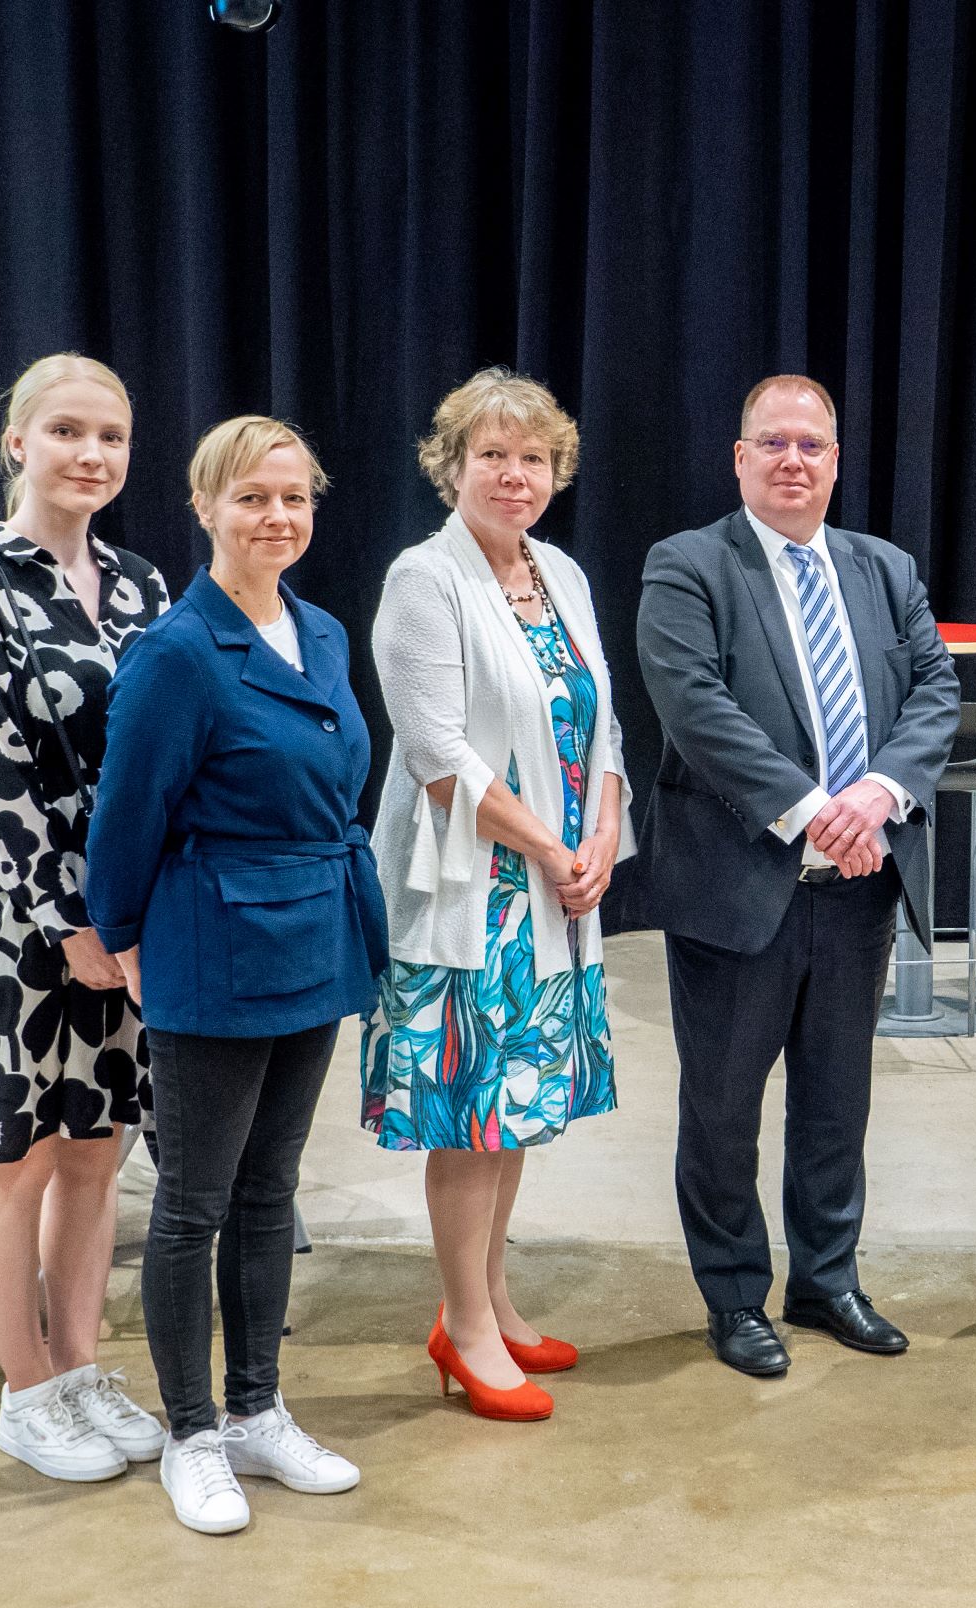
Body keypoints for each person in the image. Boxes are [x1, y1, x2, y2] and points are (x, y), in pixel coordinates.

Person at [86, 417, 387, 1534]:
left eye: (295, 499)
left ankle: (259, 1410)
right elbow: (128, 812)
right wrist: (117, 933)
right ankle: (192, 1431)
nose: (277, 518)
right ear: (204, 507)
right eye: (252, 498)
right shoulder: (174, 652)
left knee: (272, 1191)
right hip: (215, 941)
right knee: (193, 1204)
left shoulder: (322, 631)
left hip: (314, 936)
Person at [637, 374, 957, 1378]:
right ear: (740, 459)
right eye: (771, 442)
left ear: (834, 460)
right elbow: (695, 707)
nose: (791, 459)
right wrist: (817, 807)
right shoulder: (688, 565)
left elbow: (936, 691)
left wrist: (879, 795)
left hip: (858, 888)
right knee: (725, 1108)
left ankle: (827, 1279)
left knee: (836, 1104)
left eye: (810, 444)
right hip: (741, 889)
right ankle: (735, 1295)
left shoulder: (885, 569)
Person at [362, 371, 632, 1422]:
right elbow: (439, 757)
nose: (514, 475)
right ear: (453, 466)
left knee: (517, 1110)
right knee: (472, 1116)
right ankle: (462, 1329)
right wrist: (549, 847)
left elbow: (601, 724)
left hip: (560, 890)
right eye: (492, 456)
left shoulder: (558, 571)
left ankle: (493, 1301)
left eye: (533, 458)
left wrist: (601, 834)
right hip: (476, 897)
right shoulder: (422, 581)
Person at [0, 353, 171, 1482]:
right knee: (13, 1159)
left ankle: (78, 1370)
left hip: (125, 918)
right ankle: (26, 1396)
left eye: (111, 437)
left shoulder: (142, 584)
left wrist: (133, 913)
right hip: (14, 918)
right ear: (17, 440)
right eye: (67, 431)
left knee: (95, 1152)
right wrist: (69, 920)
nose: (92, 455)